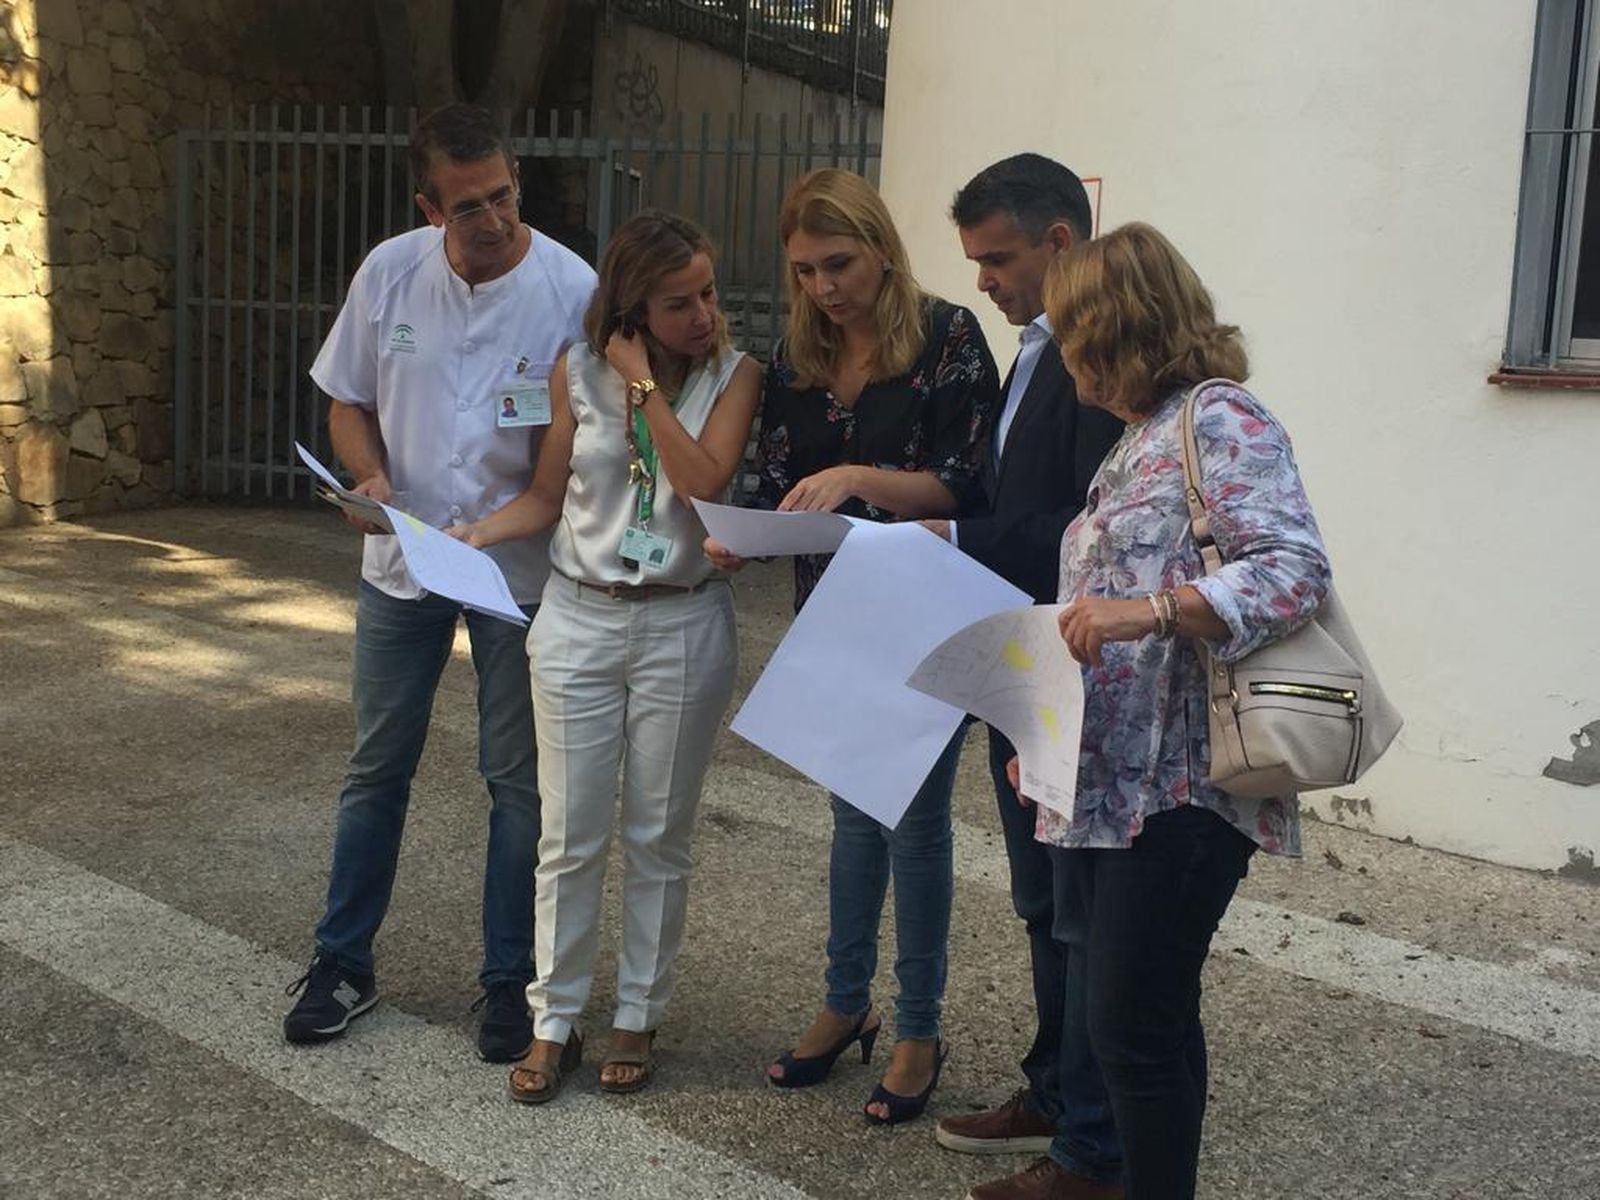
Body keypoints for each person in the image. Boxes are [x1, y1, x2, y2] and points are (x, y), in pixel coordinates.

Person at [283, 104, 594, 1062]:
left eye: (502, 195)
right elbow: (345, 400)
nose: (492, 220)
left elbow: (579, 448)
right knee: (376, 767)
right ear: (429, 208)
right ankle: (343, 963)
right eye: (467, 207)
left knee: (517, 783)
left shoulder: (571, 289)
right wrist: (368, 475)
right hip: (402, 563)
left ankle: (510, 982)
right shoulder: (389, 272)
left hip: (518, 572)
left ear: (516, 181)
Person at [1037, 223, 1331, 1200]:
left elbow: (1293, 570)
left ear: (1112, 327)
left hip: (1184, 784)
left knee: (1131, 1029)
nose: (1060, 350)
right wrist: (1045, 734)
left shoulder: (1220, 418)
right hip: (1108, 787)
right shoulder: (1137, 438)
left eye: (1069, 328)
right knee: (1145, 1023)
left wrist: (1150, 610)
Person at [707, 167, 999, 1126]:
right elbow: (780, 485)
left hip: (927, 607)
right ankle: (846, 1002)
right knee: (850, 818)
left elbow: (970, 485)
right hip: (831, 613)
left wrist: (857, 476)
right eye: (803, 270)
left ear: (881, 248)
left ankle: (918, 1028)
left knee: (914, 823)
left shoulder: (950, 336)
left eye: (838, 263)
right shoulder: (797, 356)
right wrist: (744, 537)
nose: (823, 287)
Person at [449, 210, 761, 1103]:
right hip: (578, 616)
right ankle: (553, 1019)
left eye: (707, 294)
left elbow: (701, 481)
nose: (702, 315)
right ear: (631, 308)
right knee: (568, 832)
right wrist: (472, 536)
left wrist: (642, 386)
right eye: (678, 302)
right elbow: (547, 494)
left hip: (681, 619)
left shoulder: (736, 375)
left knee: (658, 833)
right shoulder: (574, 371)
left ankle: (637, 1013)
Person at [927, 156, 1126, 1200]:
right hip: (1023, 661)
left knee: (1078, 913)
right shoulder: (1037, 348)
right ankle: (1054, 1093)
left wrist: (958, 536)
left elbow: (1088, 526)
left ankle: (1090, 1140)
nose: (983, 281)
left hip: (1077, 667)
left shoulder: (1098, 354)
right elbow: (1011, 492)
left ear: (1059, 241)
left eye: (997, 258)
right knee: (1041, 901)